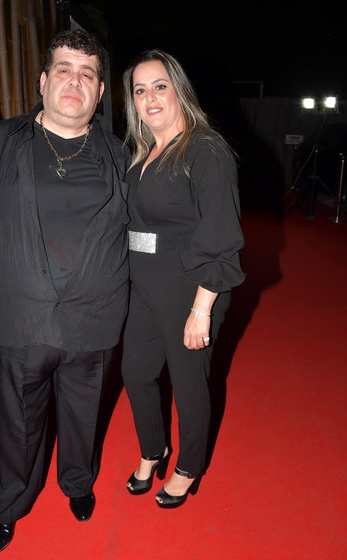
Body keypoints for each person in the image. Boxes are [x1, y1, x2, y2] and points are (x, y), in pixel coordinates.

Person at [0, 29, 129, 552]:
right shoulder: (2, 141)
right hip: (19, 315)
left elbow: (143, 233)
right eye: (65, 70)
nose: (75, 81)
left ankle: (77, 483)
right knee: (17, 424)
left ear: (99, 93)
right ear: (44, 81)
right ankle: (9, 504)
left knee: (83, 415)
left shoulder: (118, 155)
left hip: (94, 318)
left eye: (87, 74)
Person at [121, 49, 245, 509]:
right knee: (135, 372)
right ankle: (153, 450)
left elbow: (222, 236)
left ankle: (189, 467)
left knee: (188, 383)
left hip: (190, 286)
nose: (150, 98)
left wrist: (201, 308)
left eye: (160, 86)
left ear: (179, 91)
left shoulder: (205, 150)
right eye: (140, 90)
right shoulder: (142, 153)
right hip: (144, 287)